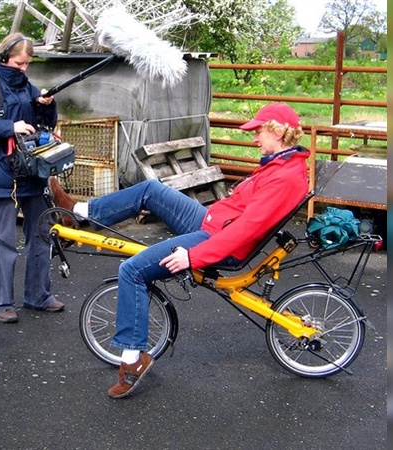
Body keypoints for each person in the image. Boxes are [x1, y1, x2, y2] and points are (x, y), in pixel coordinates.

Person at [49, 103, 310, 398]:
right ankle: (78, 212)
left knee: (132, 270)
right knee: (151, 190)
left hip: (219, 242)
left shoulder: (284, 177)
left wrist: (192, 256)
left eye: (259, 131)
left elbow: (245, 230)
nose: (254, 138)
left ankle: (133, 361)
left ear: (278, 132)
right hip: (213, 224)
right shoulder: (282, 164)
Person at [0, 33, 64, 323]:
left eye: (28, 64)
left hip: (32, 172)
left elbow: (45, 125)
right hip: (2, 173)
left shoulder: (28, 88)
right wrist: (11, 126)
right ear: (4, 57)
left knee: (41, 234)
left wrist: (46, 104)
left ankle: (38, 296)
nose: (24, 69)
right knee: (3, 240)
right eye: (19, 63)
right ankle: (1, 302)